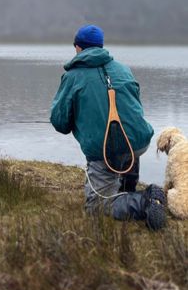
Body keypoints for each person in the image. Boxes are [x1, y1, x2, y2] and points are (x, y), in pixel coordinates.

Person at [50, 25, 167, 230]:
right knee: (126, 140)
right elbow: (134, 107)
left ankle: (146, 202)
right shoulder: (123, 69)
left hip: (107, 150)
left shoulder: (72, 77)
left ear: (78, 47)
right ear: (100, 46)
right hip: (138, 142)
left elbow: (60, 123)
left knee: (97, 207)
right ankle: (127, 186)